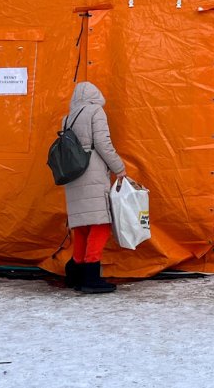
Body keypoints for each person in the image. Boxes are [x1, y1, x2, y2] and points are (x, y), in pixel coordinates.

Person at [63, 81, 127, 294]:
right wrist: (119, 167)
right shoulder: (95, 111)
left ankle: (76, 272)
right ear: (95, 95)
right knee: (100, 224)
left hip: (73, 174)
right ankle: (91, 277)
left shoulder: (68, 117)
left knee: (82, 226)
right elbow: (102, 142)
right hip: (92, 173)